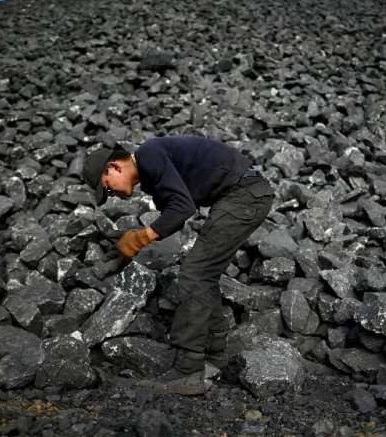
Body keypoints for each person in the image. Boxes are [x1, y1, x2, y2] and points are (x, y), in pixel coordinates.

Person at [82, 135, 274, 395]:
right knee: (203, 274)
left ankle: (188, 371)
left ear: (114, 167)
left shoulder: (149, 154)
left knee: (195, 273)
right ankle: (215, 354)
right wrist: (134, 243)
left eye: (107, 187)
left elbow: (183, 208)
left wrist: (141, 237)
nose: (110, 194)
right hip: (245, 194)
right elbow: (175, 216)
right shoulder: (151, 174)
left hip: (244, 195)